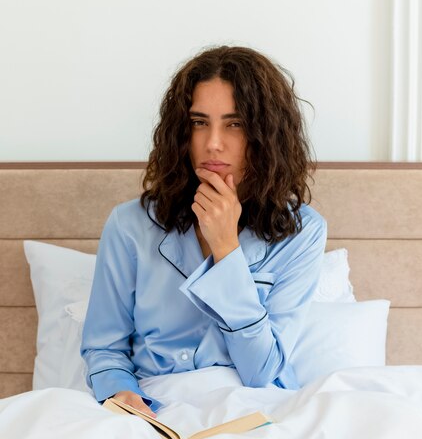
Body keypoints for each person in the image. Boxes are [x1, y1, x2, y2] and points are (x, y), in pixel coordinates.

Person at [80, 45, 327, 419]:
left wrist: (226, 249)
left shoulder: (302, 231)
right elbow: (104, 348)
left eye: (235, 124)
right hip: (154, 409)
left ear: (266, 134)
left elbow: (264, 372)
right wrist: (121, 393)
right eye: (199, 122)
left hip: (252, 409)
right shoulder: (129, 225)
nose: (212, 142)